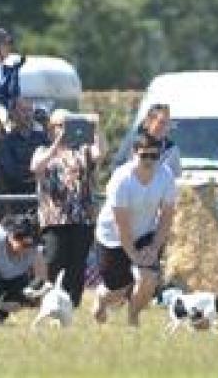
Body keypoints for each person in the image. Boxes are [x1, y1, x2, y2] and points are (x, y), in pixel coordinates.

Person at [92, 134, 176, 327]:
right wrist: (134, 255)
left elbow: (166, 217)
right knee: (118, 291)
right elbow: (121, 225)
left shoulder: (166, 176)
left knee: (149, 279)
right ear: (133, 154)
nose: (149, 161)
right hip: (112, 237)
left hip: (145, 233)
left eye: (154, 156)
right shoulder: (121, 179)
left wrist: (154, 248)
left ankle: (133, 317)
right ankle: (102, 300)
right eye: (144, 155)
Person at [30, 108, 101, 308]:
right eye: (59, 125)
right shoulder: (43, 151)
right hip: (54, 218)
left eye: (66, 126)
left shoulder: (83, 151)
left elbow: (99, 154)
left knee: (77, 264)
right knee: (53, 260)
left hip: (82, 217)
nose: (63, 130)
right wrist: (57, 145)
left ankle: (72, 304)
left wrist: (96, 129)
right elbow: (36, 167)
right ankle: (50, 301)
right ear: (51, 128)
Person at [0, 214, 46, 319]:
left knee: (26, 290)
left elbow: (42, 278)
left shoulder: (34, 249)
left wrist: (34, 295)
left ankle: (0, 316)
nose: (27, 250)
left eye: (31, 246)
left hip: (16, 278)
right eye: (24, 245)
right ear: (11, 236)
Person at [0, 98, 49, 201]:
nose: (27, 114)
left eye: (30, 110)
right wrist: (37, 172)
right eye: (23, 110)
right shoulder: (6, 142)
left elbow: (52, 163)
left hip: (44, 196)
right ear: (14, 113)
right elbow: (12, 171)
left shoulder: (43, 138)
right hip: (17, 198)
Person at [137, 103, 181, 177]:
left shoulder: (171, 150)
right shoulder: (133, 143)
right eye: (161, 122)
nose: (165, 127)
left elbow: (176, 178)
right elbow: (117, 166)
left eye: (167, 123)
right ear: (149, 121)